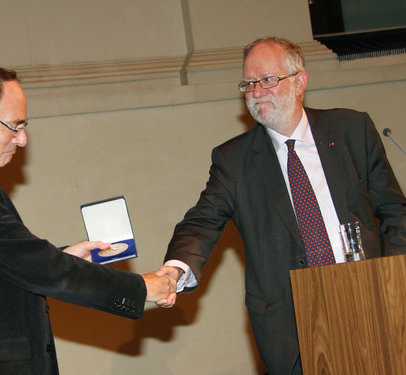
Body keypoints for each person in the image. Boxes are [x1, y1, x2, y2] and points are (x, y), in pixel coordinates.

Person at [156, 37, 406, 374]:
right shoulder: (234, 160)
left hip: (370, 303)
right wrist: (177, 268)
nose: (256, 92)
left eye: (268, 80)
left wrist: (392, 286)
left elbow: (395, 213)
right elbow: (201, 221)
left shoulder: (352, 130)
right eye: (248, 84)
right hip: (291, 327)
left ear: (299, 81)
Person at [0, 62, 176, 375]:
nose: (22, 140)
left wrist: (59, 256)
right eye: (14, 126)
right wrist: (141, 288)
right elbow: (40, 269)